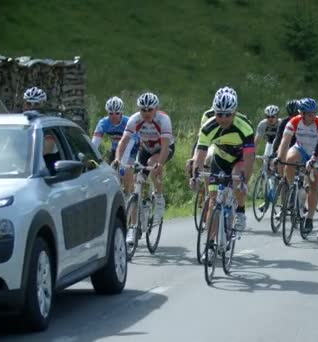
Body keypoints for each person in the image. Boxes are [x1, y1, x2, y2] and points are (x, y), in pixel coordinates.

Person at [189, 88, 255, 236]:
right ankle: (211, 244)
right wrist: (195, 175)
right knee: (213, 199)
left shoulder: (245, 127)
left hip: (240, 158)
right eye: (219, 114)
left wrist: (245, 181)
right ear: (214, 112)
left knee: (238, 179)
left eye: (228, 115)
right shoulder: (208, 126)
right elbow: (200, 153)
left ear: (235, 112)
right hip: (222, 157)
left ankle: (240, 211)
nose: (224, 118)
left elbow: (250, 157)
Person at [113, 92, 175, 245]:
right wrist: (117, 159)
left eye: (150, 110)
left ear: (156, 109)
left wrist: (159, 164)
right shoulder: (135, 119)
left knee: (153, 165)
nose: (146, 113)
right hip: (146, 148)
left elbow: (166, 146)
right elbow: (124, 141)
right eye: (143, 110)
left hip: (163, 149)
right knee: (137, 181)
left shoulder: (163, 120)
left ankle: (159, 199)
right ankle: (133, 227)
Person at [274, 97, 318, 233]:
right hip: (300, 149)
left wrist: (314, 161)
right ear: (301, 113)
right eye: (309, 114)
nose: (312, 116)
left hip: (317, 152)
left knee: (315, 182)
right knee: (289, 159)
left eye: (314, 113)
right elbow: (284, 142)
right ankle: (291, 189)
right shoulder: (294, 121)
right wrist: (279, 159)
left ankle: (310, 218)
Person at [92, 96, 139, 193]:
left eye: (117, 113)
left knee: (126, 173)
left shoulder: (128, 123)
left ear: (121, 112)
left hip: (132, 149)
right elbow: (94, 144)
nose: (114, 116)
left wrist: (122, 166)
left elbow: (128, 147)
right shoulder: (103, 123)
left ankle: (129, 195)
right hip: (116, 148)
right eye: (110, 113)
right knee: (112, 175)